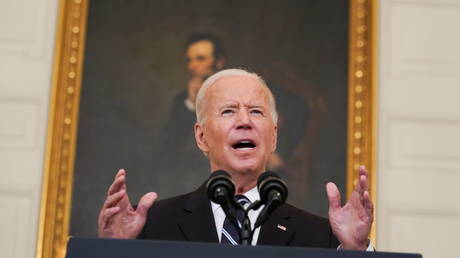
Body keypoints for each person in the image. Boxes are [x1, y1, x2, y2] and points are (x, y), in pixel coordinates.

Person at [98, 69, 374, 250]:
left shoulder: (322, 238)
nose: (244, 121)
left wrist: (357, 252)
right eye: (229, 111)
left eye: (256, 111)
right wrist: (110, 252)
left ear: (274, 137)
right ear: (202, 136)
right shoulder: (151, 228)